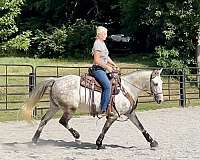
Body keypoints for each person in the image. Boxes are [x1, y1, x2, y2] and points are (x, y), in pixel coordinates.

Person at [91, 26, 119, 116]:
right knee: (107, 86)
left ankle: (111, 106)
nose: (106, 36)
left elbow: (106, 57)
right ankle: (103, 109)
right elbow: (97, 60)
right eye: (105, 34)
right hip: (98, 69)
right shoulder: (97, 44)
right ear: (99, 34)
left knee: (114, 82)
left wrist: (114, 64)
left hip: (103, 69)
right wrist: (107, 67)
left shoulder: (102, 43)